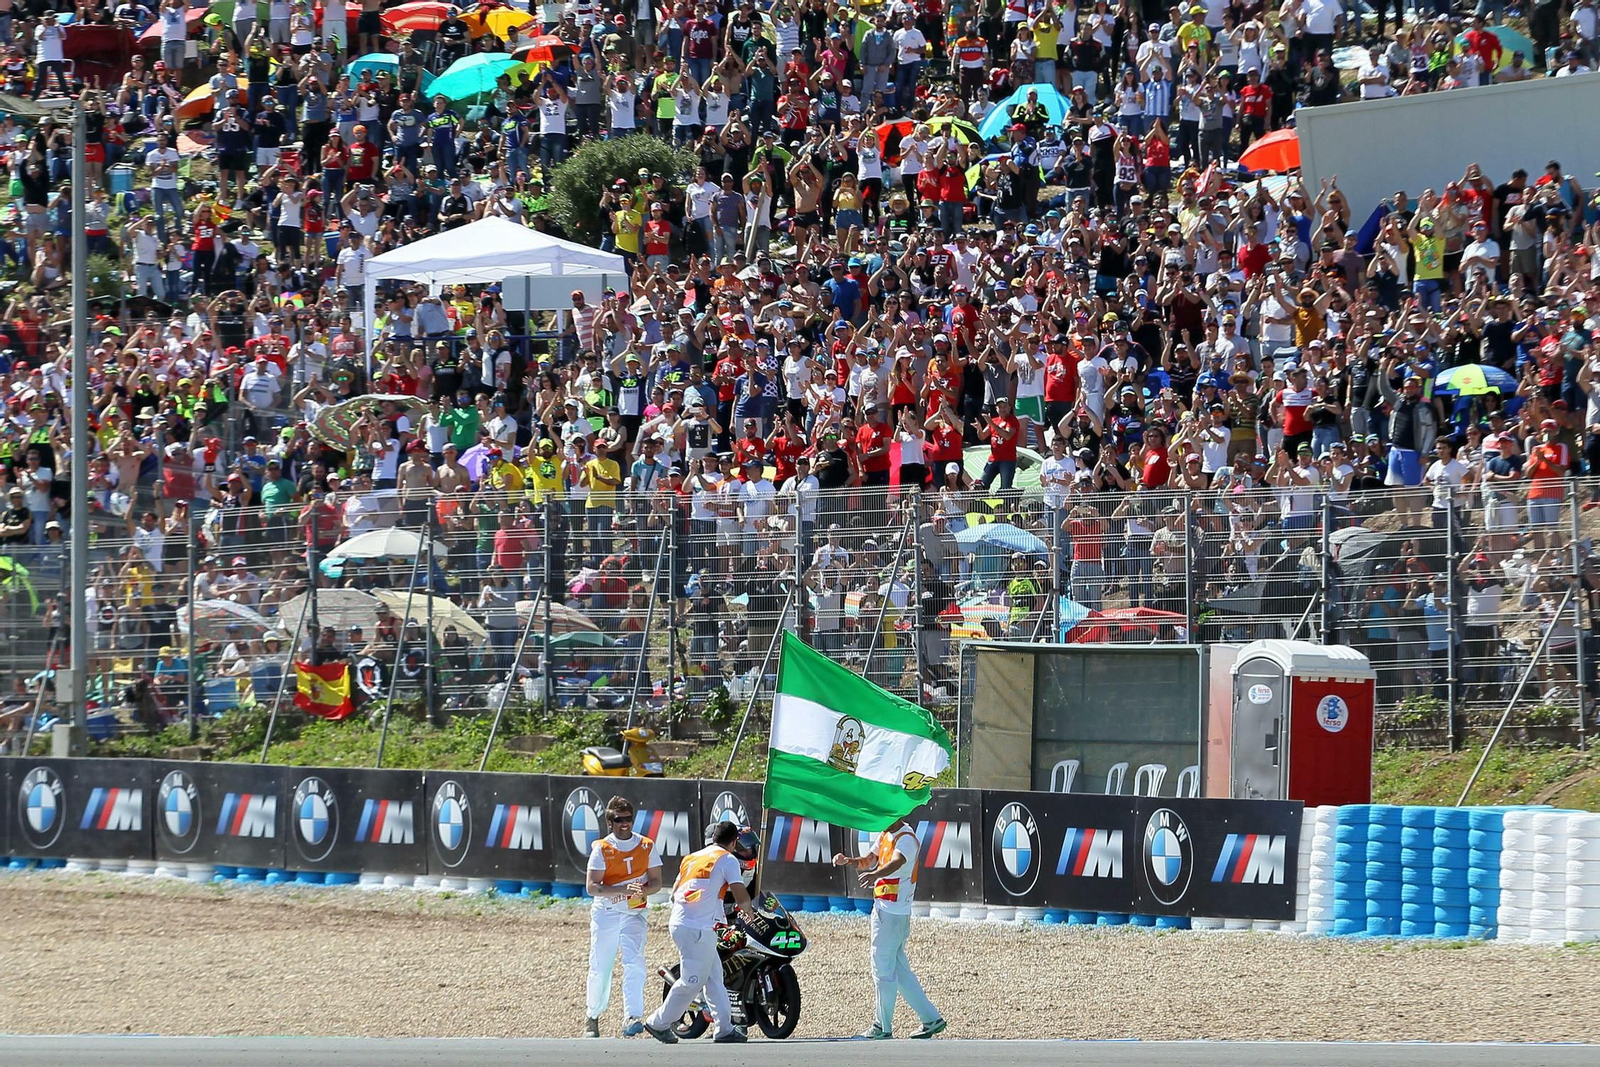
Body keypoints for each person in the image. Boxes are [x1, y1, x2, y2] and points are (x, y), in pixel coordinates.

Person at [642, 821, 761, 1045]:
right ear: (734, 842)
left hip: (682, 922)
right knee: (692, 982)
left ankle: (724, 1029)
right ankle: (657, 1022)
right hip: (696, 927)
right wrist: (750, 914)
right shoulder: (728, 859)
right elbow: (741, 896)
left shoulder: (693, 857)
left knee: (714, 976)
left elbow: (675, 893)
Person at [832, 817, 947, 1040]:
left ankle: (882, 1025)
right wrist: (848, 860)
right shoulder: (886, 834)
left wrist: (876, 874)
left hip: (892, 913)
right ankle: (931, 1018)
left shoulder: (906, 839)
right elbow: (868, 860)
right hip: (890, 912)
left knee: (882, 969)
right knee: (900, 971)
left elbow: (897, 861)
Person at [583, 794, 664, 1039]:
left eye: (627, 818)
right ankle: (593, 1014)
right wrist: (621, 890)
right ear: (611, 823)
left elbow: (657, 881)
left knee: (635, 962)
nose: (624, 823)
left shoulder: (647, 845)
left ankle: (632, 1016)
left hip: (634, 912)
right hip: (607, 912)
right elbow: (591, 886)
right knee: (601, 965)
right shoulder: (602, 848)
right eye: (618, 819)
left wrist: (644, 890)